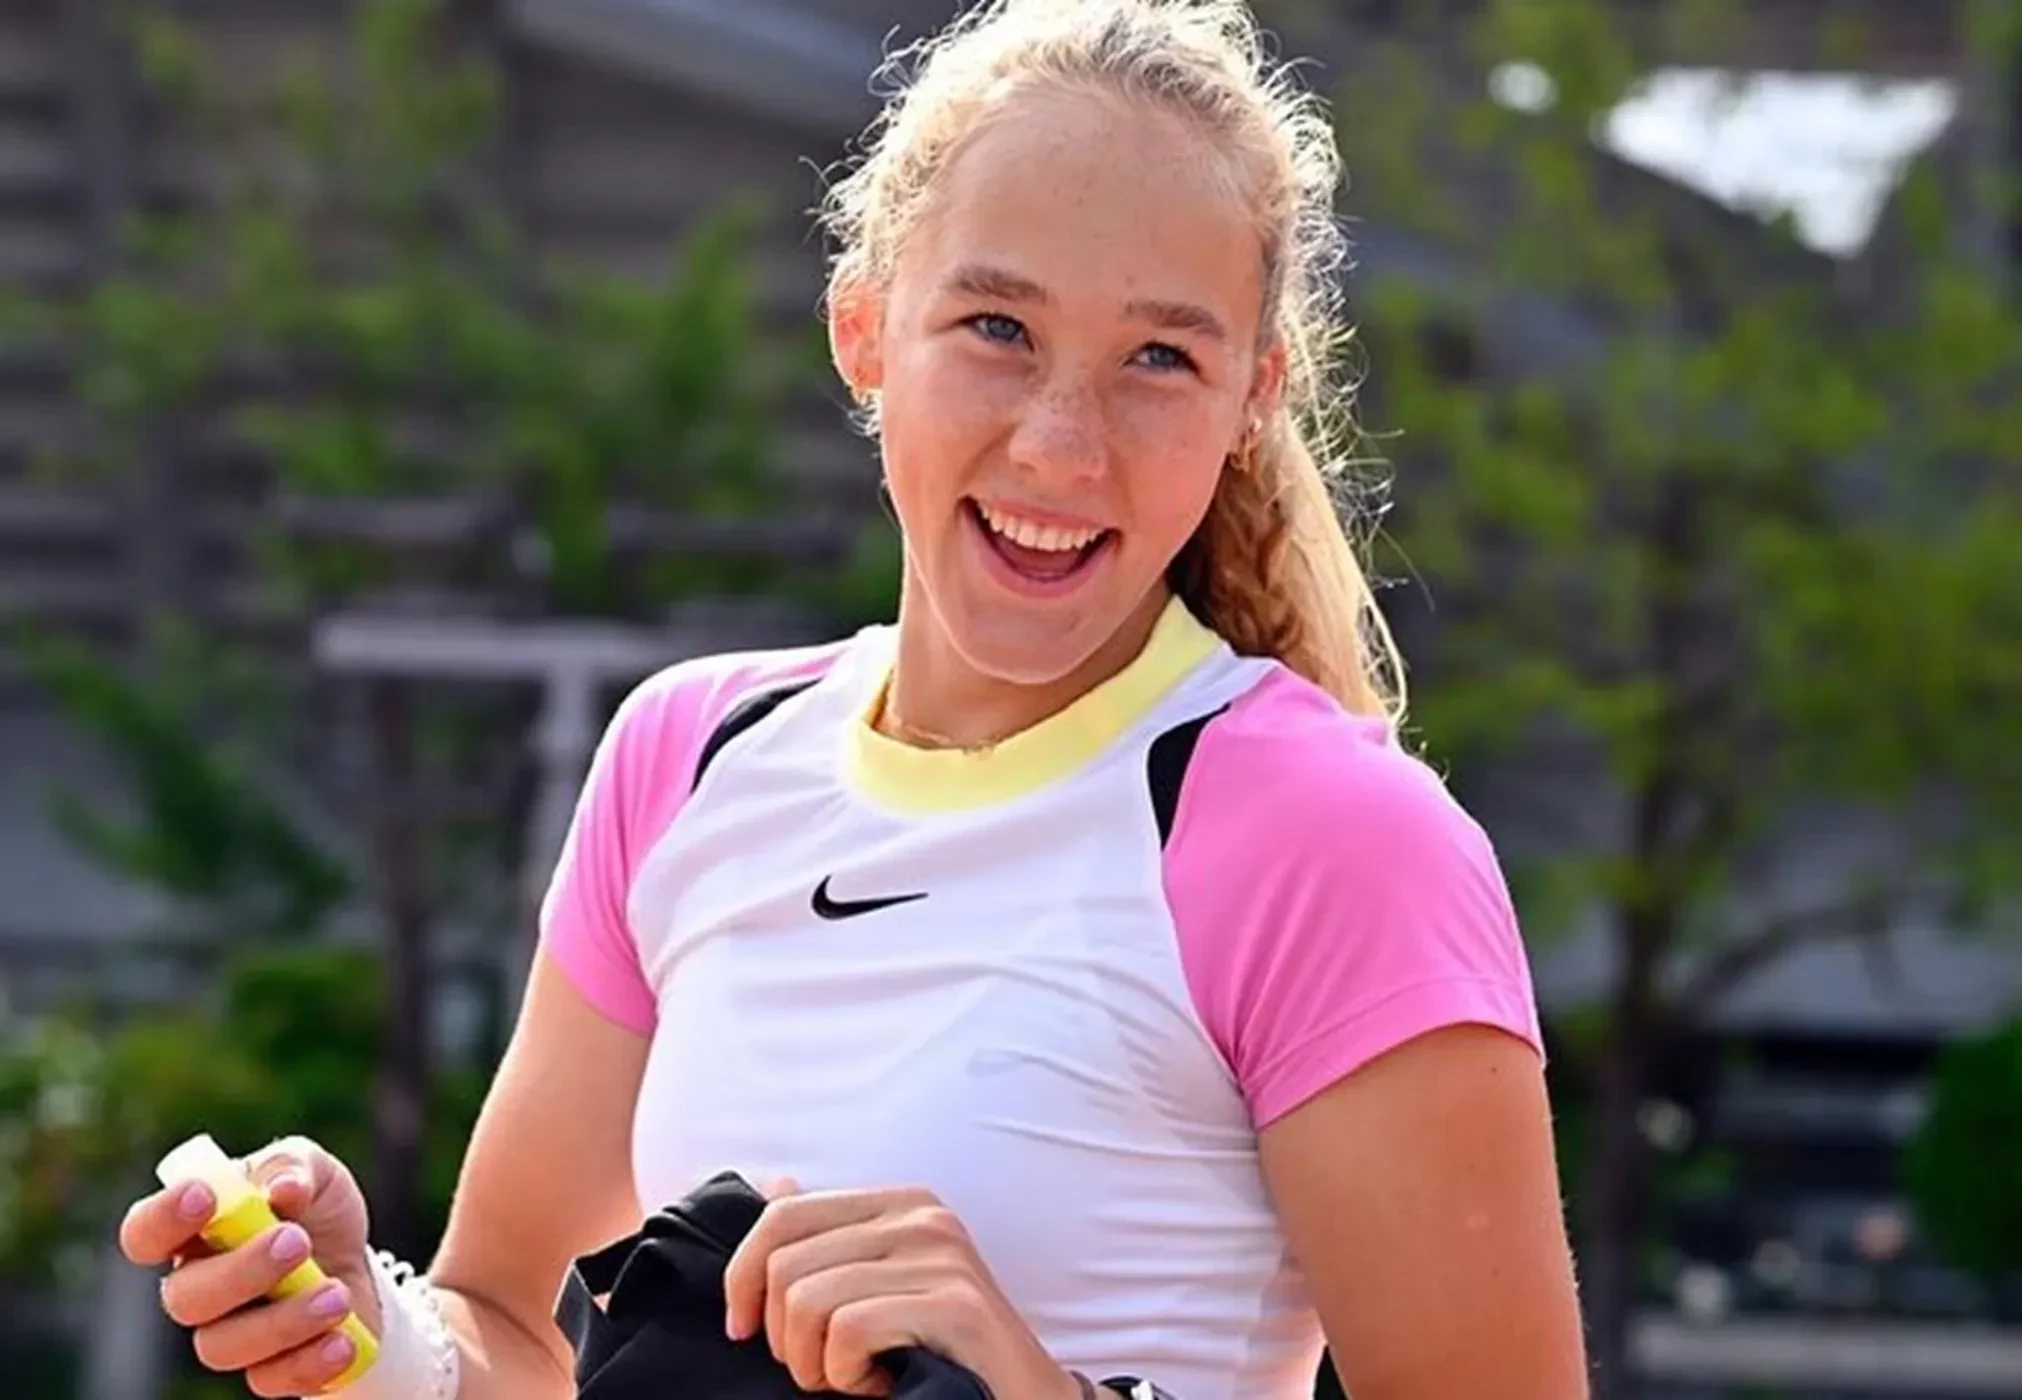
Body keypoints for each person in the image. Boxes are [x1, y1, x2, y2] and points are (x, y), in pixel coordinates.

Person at [118, 1, 1588, 1396]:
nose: (1061, 446)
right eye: (997, 327)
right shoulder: (687, 756)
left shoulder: (1337, 839)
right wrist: (360, 1324)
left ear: (1251, 399)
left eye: (1159, 357)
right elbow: (509, 1328)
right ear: (864, 328)